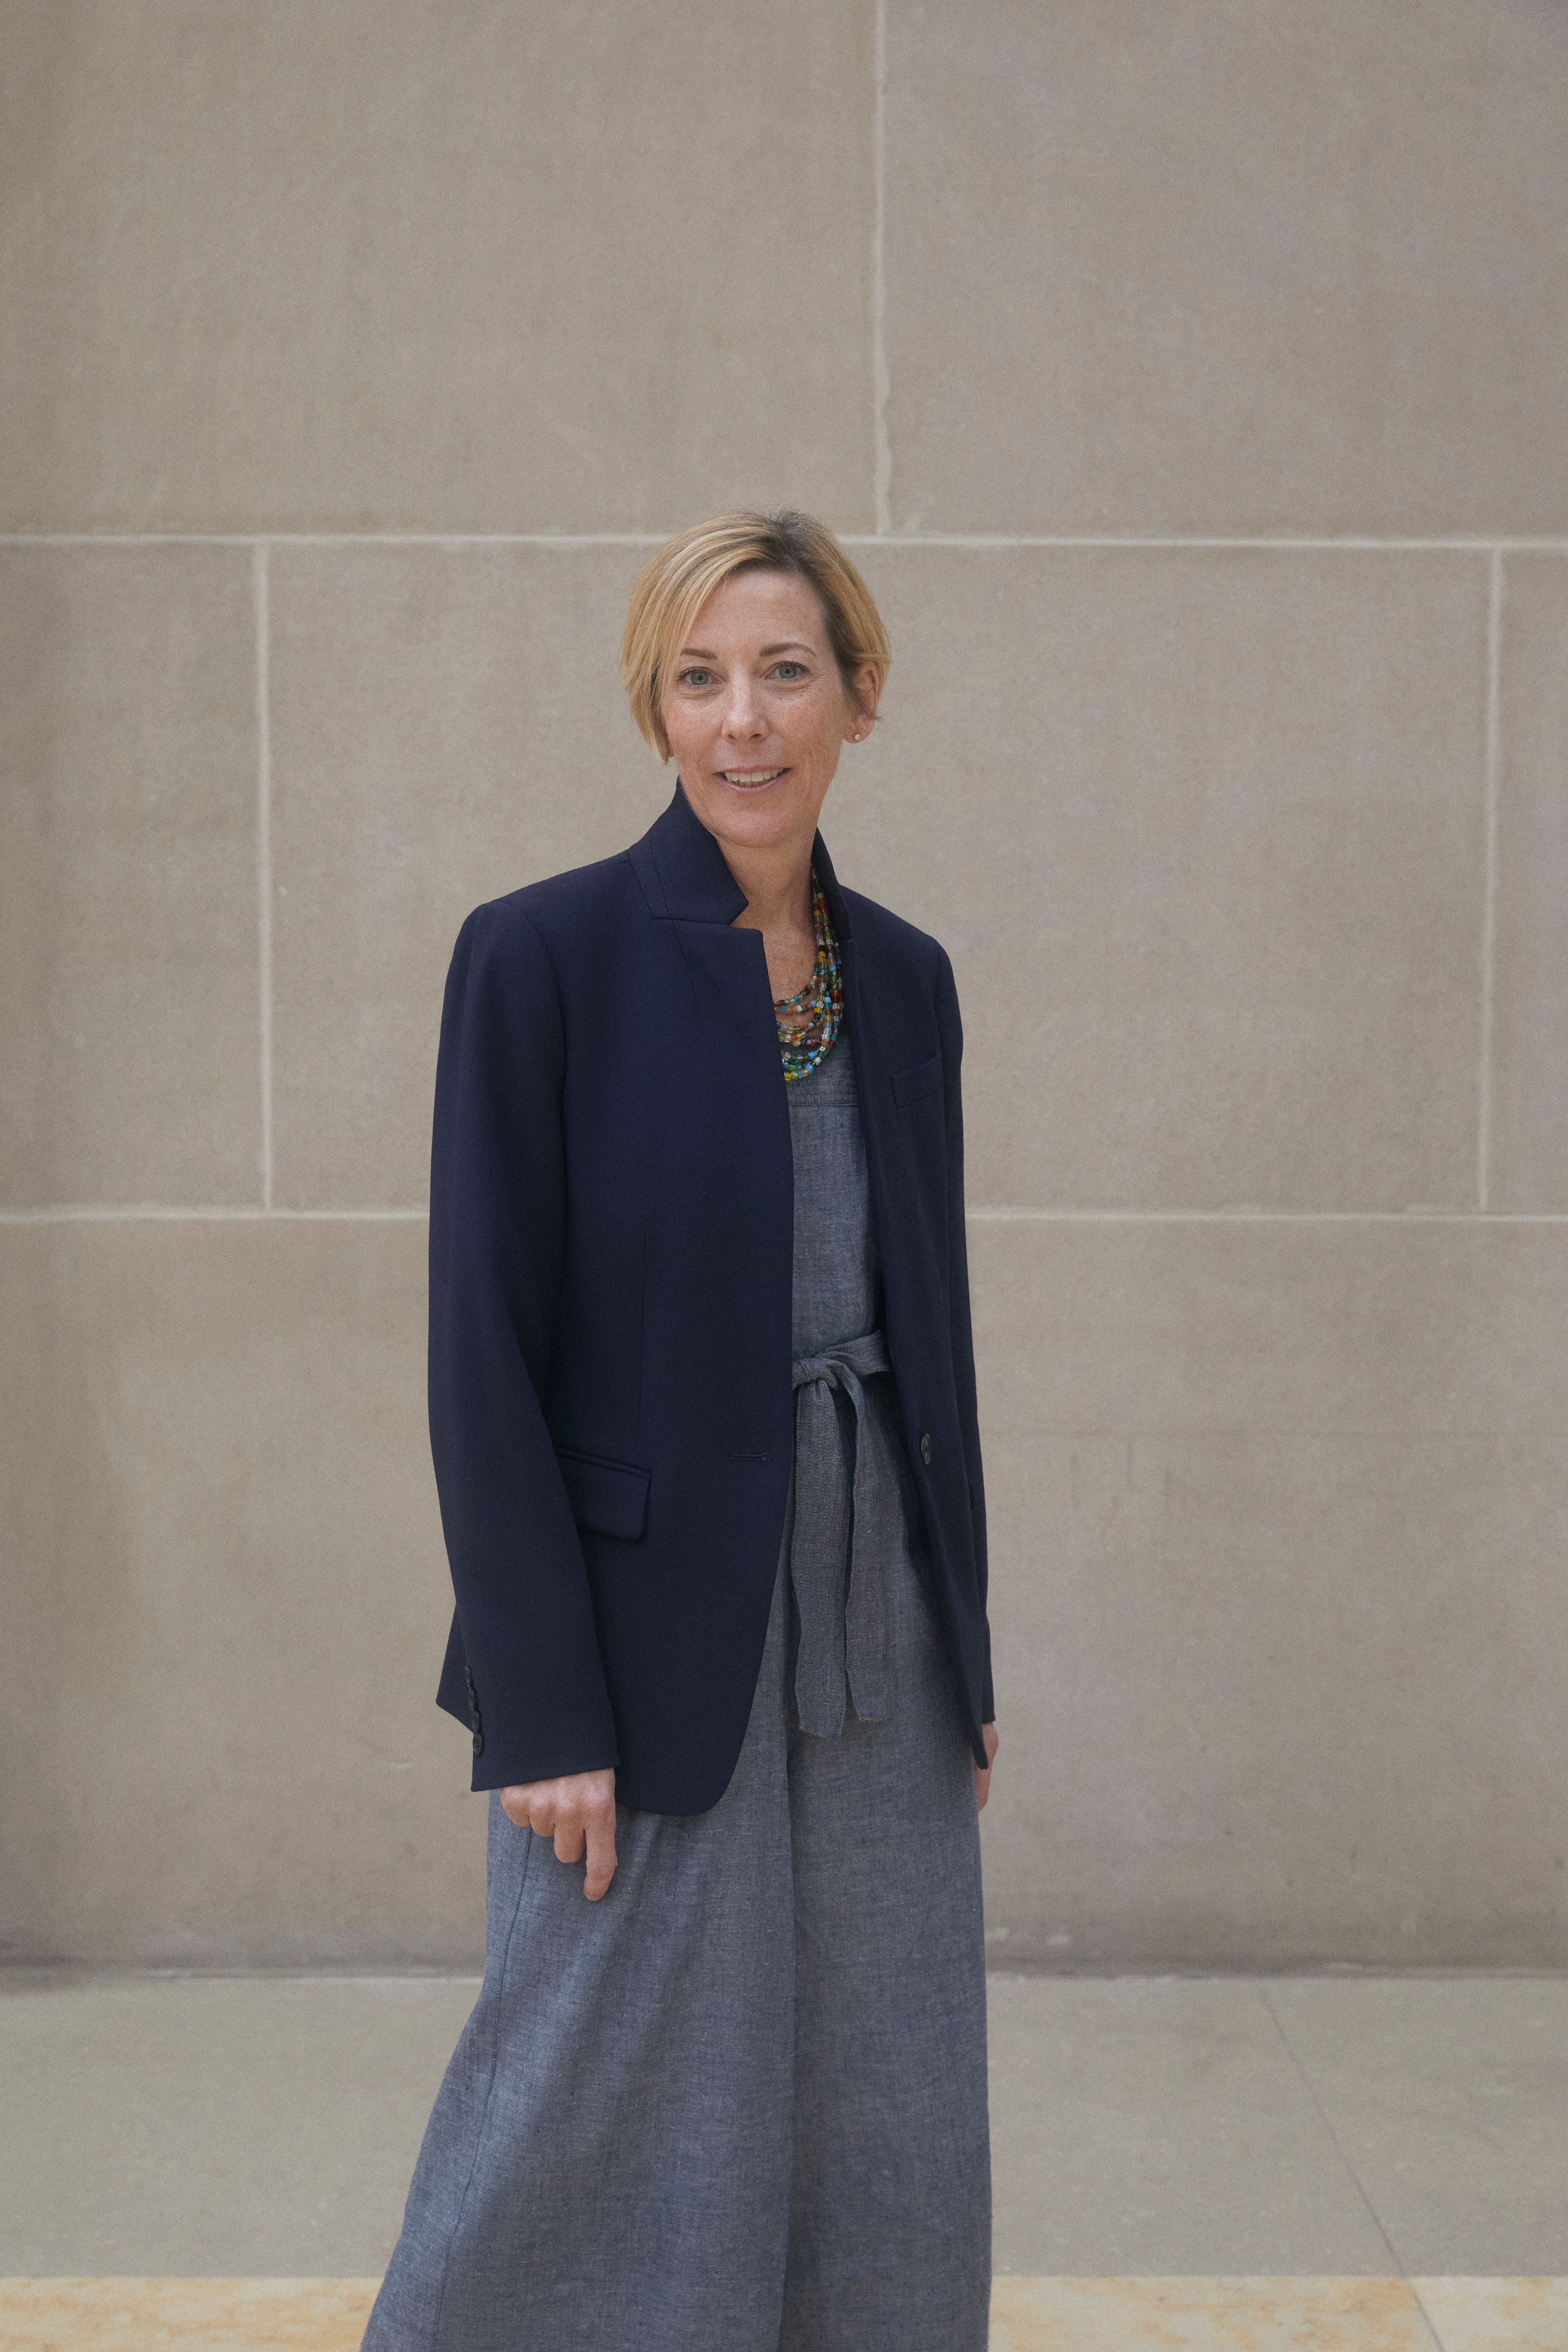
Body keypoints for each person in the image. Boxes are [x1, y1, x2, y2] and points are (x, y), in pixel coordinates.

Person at [363, 510, 999, 2352]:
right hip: (636, 1647)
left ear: (858, 697)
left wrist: (971, 1651)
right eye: (701, 677)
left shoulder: (908, 978)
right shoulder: (538, 958)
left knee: (884, 2100)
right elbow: (480, 1349)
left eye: (785, 671)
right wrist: (543, 1704)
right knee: (595, 2095)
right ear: (654, 705)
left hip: (876, 1615)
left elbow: (933, 1339)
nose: (745, 720)